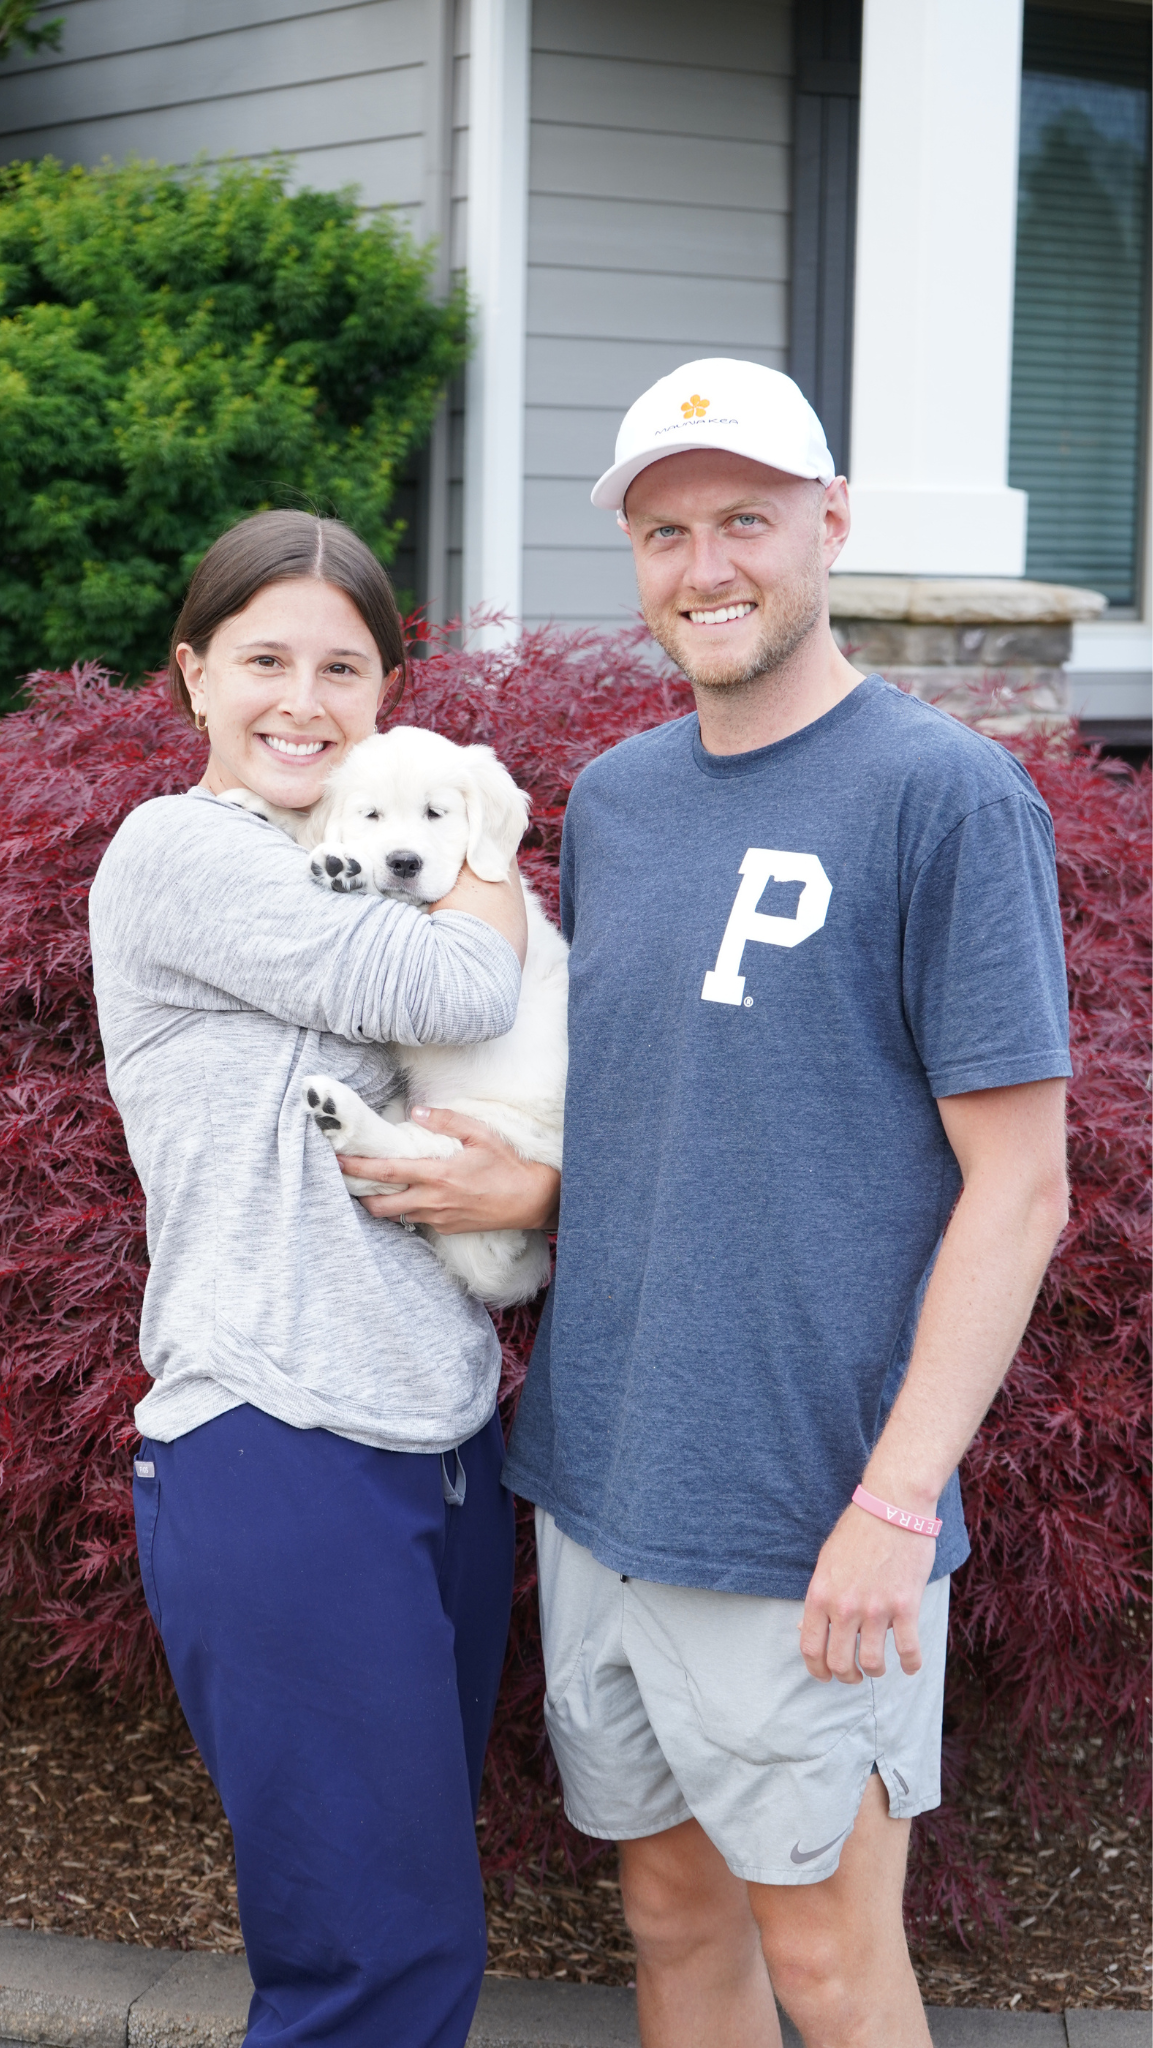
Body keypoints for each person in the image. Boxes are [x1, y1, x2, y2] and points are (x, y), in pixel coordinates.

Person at [375, 358, 1071, 2046]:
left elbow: (1022, 1179)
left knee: (833, 1970)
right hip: (601, 1477)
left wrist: (899, 1506)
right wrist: (532, 1183)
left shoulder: (945, 797)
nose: (707, 567)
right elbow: (674, 1119)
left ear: (831, 523)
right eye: (667, 531)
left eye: (747, 520)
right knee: (675, 1926)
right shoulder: (617, 800)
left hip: (809, 1511)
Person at [89, 510, 558, 2048]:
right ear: (193, 675)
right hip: (272, 1437)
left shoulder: (362, 852)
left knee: (418, 1921)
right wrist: (485, 855)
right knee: (369, 1969)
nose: (302, 696)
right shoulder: (184, 852)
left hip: (442, 1444)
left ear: (385, 691)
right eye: (264, 658)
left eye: (341, 666)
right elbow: (455, 983)